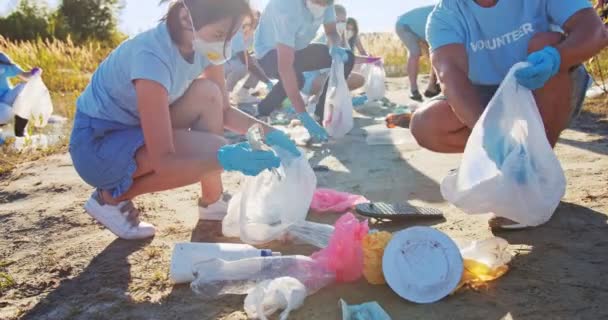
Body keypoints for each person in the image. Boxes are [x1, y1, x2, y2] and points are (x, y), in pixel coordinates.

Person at [69, 0, 300, 240]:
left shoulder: (203, 46)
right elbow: (165, 161)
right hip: (96, 148)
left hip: (133, 131)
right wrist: (228, 159)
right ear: (184, 18)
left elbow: (222, 110)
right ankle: (110, 198)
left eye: (231, 36)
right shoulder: (151, 57)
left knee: (208, 94)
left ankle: (213, 201)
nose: (224, 45)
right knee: (215, 151)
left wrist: (272, 134)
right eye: (220, 33)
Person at [409, 0, 608, 229]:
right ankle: (512, 165)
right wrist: (490, 135)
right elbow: (449, 75)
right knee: (426, 124)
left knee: (545, 42)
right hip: (490, 97)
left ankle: (537, 170)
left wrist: (555, 57)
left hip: (546, 81)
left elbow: (593, 31)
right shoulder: (445, 15)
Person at [254, 0, 355, 142]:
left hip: (297, 49)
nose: (321, 6)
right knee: (297, 79)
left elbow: (332, 32)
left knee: (347, 58)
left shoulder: (327, 3)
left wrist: (334, 46)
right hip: (268, 53)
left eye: (325, 3)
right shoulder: (286, 7)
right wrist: (303, 115)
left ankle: (320, 115)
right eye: (317, 2)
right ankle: (263, 111)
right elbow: (285, 67)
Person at [225, 12, 272, 104]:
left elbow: (255, 54)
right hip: (220, 64)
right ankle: (225, 94)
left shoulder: (252, 34)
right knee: (242, 67)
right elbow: (246, 61)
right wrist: (267, 81)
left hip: (232, 61)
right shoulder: (237, 32)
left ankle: (243, 94)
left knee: (260, 60)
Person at [396, 5, 440, 102]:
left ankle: (432, 86)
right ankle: (414, 90)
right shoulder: (444, 13)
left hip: (419, 29)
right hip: (405, 25)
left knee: (436, 54)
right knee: (415, 52)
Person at [0, 52, 41, 138]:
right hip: (2, 108)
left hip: (6, 98)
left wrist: (33, 73)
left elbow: (24, 75)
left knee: (24, 88)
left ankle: (20, 132)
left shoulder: (2, 59)